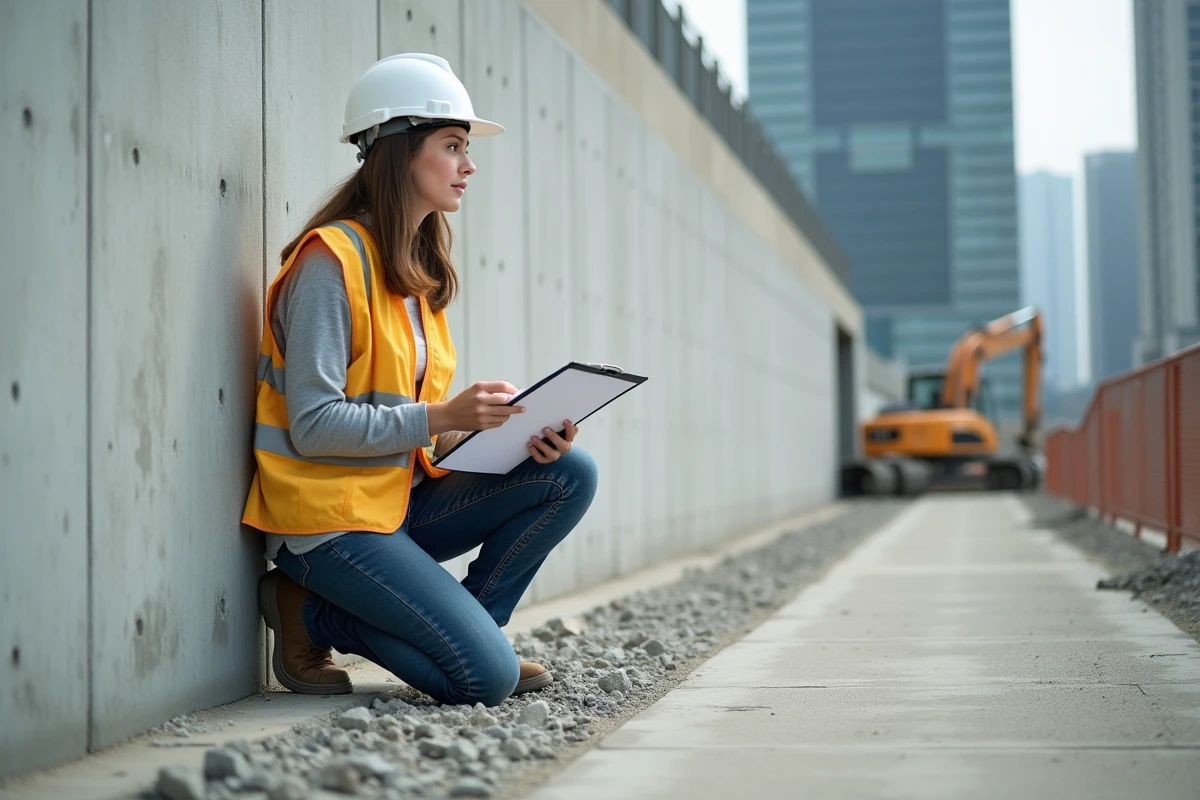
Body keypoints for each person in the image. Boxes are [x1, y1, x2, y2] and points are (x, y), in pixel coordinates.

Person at [241, 53, 598, 707]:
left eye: (466, 148)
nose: (469, 165)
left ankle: (468, 635)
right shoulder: (330, 263)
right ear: (400, 151)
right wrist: (445, 416)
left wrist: (508, 433)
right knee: (484, 679)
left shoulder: (415, 275)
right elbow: (313, 425)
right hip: (327, 522)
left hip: (394, 504)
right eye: (453, 145)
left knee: (569, 473)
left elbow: (416, 433)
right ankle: (311, 612)